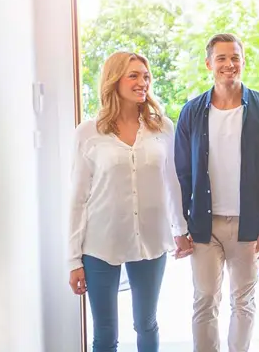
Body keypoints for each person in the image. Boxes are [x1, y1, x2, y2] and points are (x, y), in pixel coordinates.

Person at [67, 51, 194, 352]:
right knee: (105, 334)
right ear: (114, 80)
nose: (143, 82)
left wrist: (181, 228)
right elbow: (77, 199)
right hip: (100, 242)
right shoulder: (88, 133)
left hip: (150, 240)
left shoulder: (162, 127)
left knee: (146, 323)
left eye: (146, 76)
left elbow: (172, 181)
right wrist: (73, 260)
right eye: (134, 75)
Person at [174, 34, 259, 352]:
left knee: (243, 300)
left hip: (248, 225)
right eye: (221, 58)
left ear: (243, 62)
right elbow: (181, 173)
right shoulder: (192, 112)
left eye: (235, 57)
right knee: (205, 298)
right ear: (209, 64)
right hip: (204, 226)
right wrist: (179, 226)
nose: (229, 64)